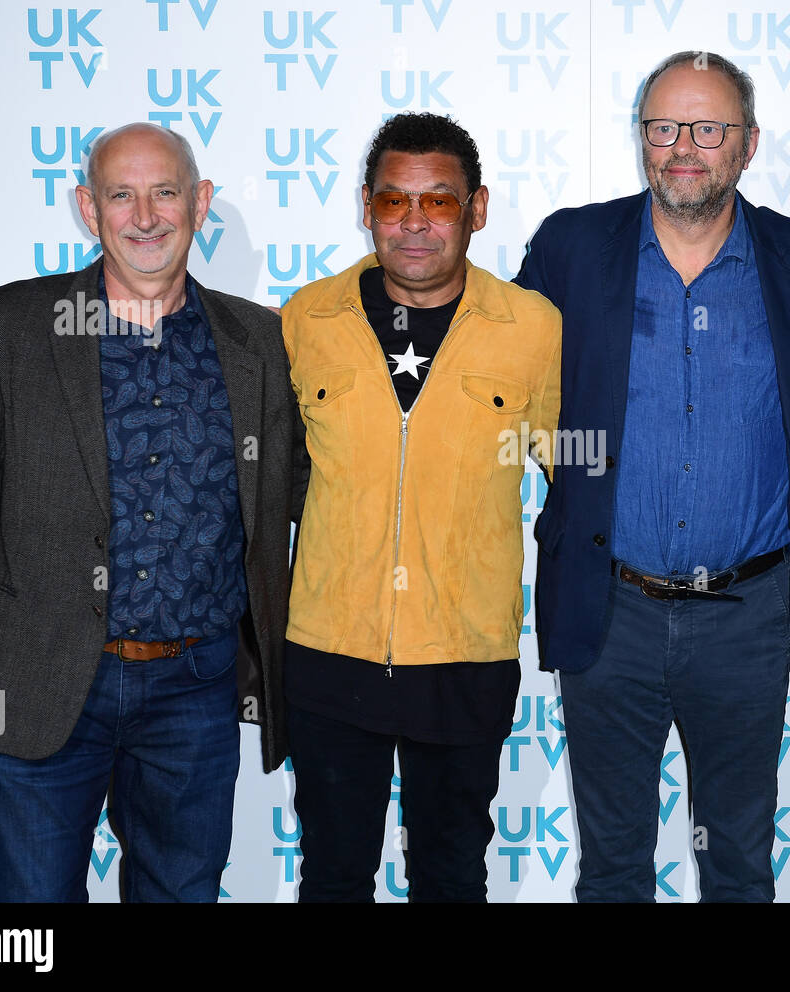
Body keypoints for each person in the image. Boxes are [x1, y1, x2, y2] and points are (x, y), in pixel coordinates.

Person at [0, 122, 307, 902]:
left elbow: (300, 493)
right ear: (86, 209)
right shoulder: (7, 327)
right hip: (39, 674)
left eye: (164, 191)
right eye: (120, 195)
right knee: (25, 917)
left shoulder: (262, 341)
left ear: (200, 204)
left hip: (196, 687)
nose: (144, 215)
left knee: (181, 893)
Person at [514, 51, 790, 902]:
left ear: (749, 144)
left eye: (709, 128)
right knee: (613, 867)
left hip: (751, 618)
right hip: (609, 609)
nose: (684, 146)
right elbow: (502, 382)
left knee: (739, 865)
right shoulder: (572, 247)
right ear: (640, 138)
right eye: (664, 127)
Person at [281, 112, 560, 902]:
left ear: (476, 209)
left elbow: (578, 478)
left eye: (437, 201)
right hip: (331, 651)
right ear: (365, 205)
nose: (412, 220)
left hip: (465, 654)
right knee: (333, 876)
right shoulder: (307, 320)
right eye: (394, 200)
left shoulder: (533, 329)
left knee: (450, 875)